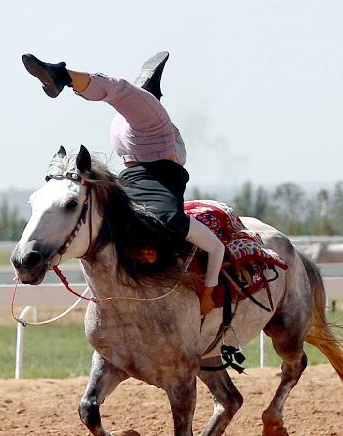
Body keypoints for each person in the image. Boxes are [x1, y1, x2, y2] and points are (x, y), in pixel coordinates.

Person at [22, 52, 225, 315]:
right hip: (152, 189)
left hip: (133, 184)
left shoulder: (124, 128)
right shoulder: (155, 121)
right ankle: (61, 74)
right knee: (213, 244)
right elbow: (118, 91)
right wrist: (65, 77)